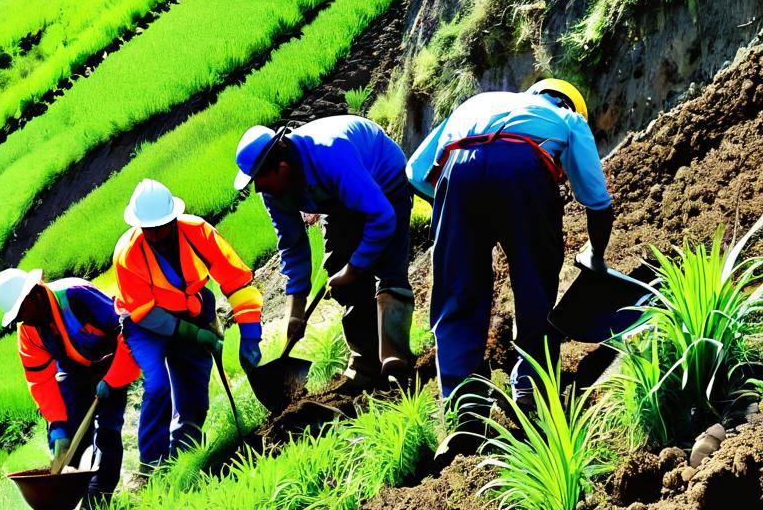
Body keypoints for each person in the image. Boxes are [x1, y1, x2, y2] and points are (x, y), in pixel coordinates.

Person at [405, 78, 613, 412]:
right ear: (570, 104)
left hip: (458, 170)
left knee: (457, 292)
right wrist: (596, 256)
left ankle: (464, 408)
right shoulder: (568, 119)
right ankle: (532, 389)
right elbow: (598, 202)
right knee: (535, 285)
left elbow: (415, 172)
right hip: (525, 170)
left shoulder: (475, 103)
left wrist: (454, 205)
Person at [234, 115, 415, 392]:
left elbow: (382, 217)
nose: (259, 188)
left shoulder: (330, 152)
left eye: (260, 179)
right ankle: (365, 365)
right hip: (339, 203)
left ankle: (395, 363)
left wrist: (355, 268)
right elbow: (292, 246)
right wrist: (294, 311)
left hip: (384, 185)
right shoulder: (273, 192)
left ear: (282, 166)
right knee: (343, 281)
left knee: (388, 274)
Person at [113, 179, 263, 470]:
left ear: (173, 217)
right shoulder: (127, 254)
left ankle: (185, 456)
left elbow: (238, 281)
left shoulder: (197, 232)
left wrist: (250, 334)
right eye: (149, 228)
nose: (155, 234)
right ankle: (152, 465)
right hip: (144, 320)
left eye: (162, 226)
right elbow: (145, 313)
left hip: (191, 307)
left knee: (193, 387)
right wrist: (194, 333)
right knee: (157, 385)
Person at [0, 268, 138, 496]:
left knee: (106, 429)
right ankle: (73, 493)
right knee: (68, 434)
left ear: (36, 293)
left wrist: (113, 378)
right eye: (18, 316)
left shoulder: (75, 295)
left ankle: (99, 494)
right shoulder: (28, 332)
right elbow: (40, 379)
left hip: (112, 361)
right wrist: (58, 427)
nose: (24, 319)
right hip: (74, 370)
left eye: (23, 310)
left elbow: (127, 331)